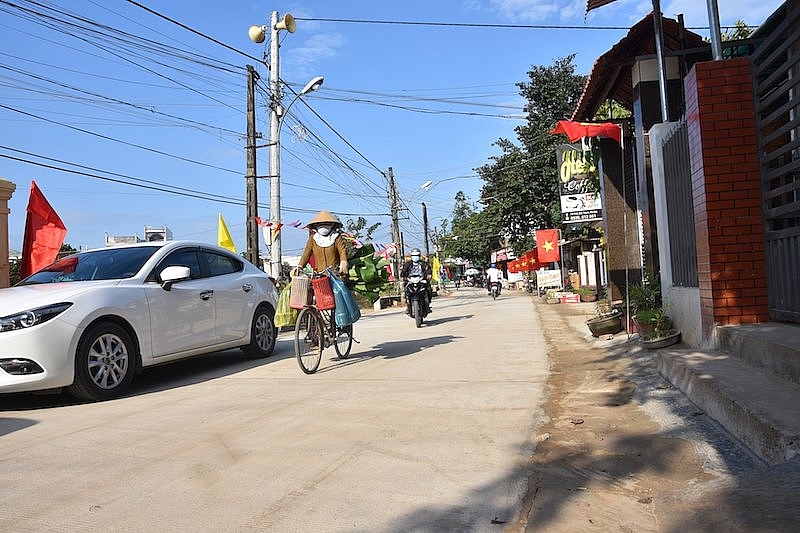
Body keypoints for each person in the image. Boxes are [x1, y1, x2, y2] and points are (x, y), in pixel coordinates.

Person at [297, 210, 349, 277]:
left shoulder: (337, 237)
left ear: (332, 225)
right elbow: (306, 253)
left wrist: (343, 262)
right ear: (316, 226)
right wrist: (300, 266)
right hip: (319, 274)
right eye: (320, 224)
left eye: (326, 223)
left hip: (335, 274)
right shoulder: (313, 238)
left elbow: (342, 251)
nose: (323, 226)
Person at [400, 248, 433, 315]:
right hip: (410, 281)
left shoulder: (424, 264)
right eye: (414, 256)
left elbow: (428, 270)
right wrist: (402, 277)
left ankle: (427, 305)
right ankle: (408, 307)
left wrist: (429, 275)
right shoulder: (407, 264)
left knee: (428, 289)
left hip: (421, 281)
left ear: (419, 255)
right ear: (411, 256)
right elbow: (403, 271)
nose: (415, 257)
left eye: (417, 255)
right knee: (406, 291)